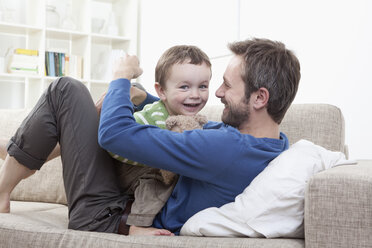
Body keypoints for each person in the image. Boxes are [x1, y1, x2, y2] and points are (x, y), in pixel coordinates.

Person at [0, 38, 300, 236]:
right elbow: (173, 127)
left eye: (225, 85)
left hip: (105, 215)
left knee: (65, 90)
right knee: (96, 108)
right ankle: (17, 149)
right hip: (126, 200)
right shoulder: (275, 145)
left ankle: (4, 180)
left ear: (260, 98)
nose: (218, 93)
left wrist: (121, 76)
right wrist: (143, 99)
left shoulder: (225, 148)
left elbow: (114, 135)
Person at [107, 45, 211, 228]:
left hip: (142, 167)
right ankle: (137, 225)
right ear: (162, 91)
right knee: (159, 180)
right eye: (184, 87)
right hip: (122, 169)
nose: (195, 95)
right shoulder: (154, 116)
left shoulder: (192, 120)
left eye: (202, 86)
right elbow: (115, 145)